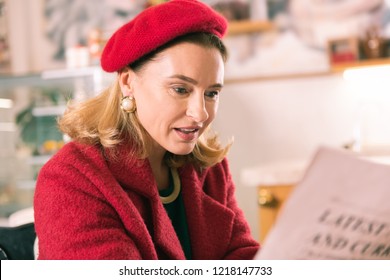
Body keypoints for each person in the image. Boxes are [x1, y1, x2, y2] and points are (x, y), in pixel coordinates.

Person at [34, 0, 260, 260]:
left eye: (211, 93)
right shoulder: (71, 179)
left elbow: (242, 255)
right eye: (180, 89)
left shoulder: (210, 169)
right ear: (129, 83)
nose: (201, 113)